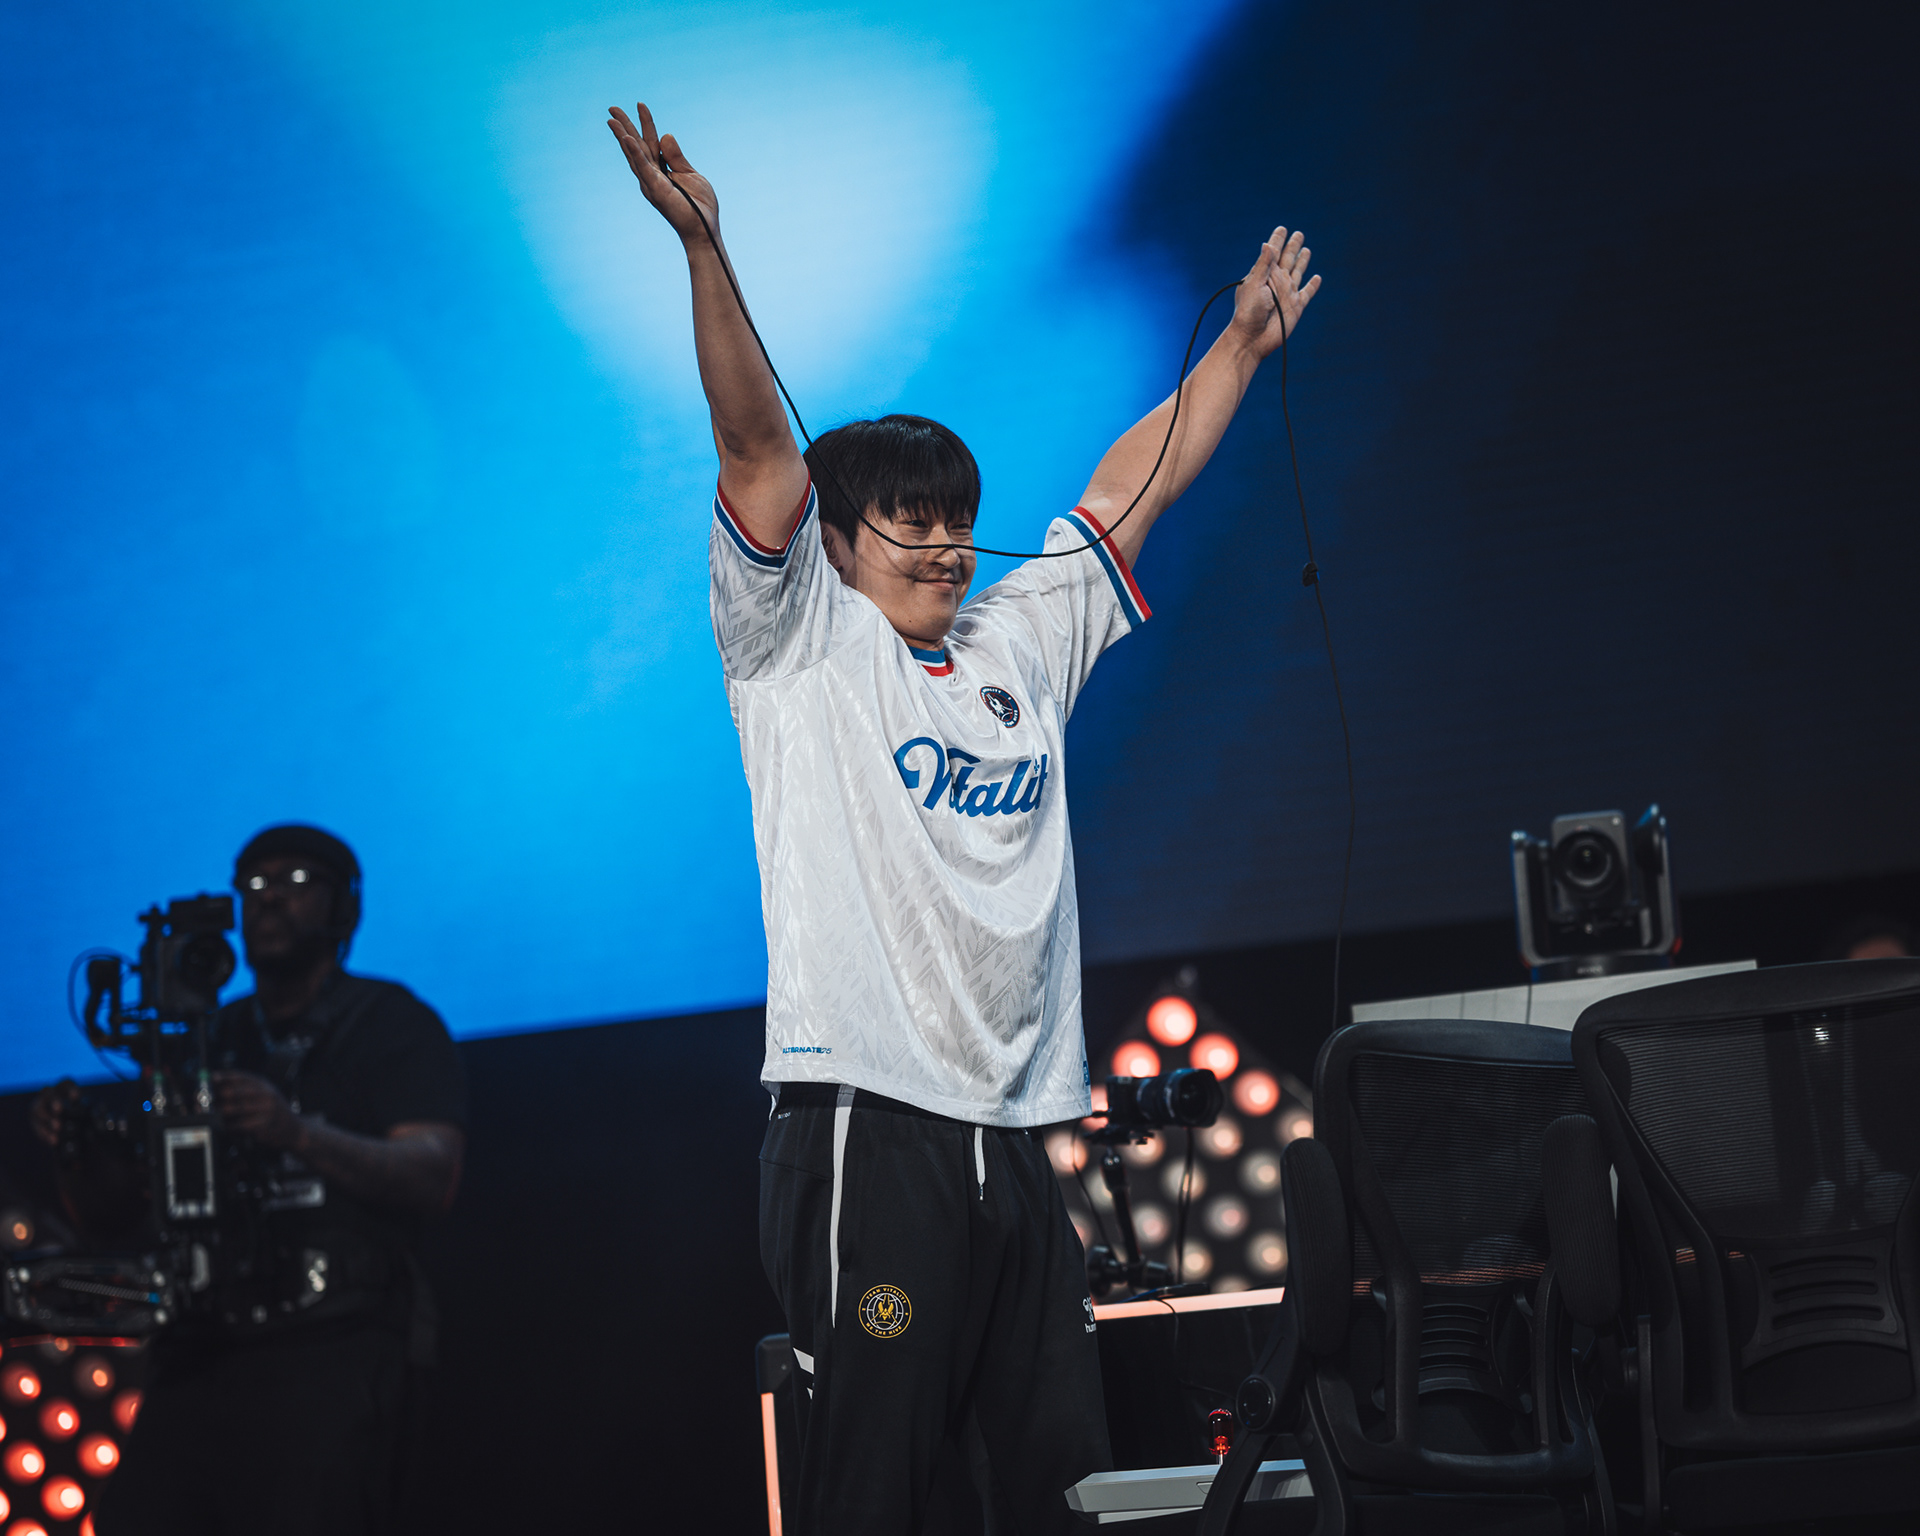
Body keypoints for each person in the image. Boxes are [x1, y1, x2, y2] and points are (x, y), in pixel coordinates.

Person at [608, 102, 1321, 1531]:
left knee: (1063, 1484)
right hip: (867, 1128)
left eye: (955, 520)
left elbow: (1129, 492)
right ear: (836, 544)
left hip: (1013, 1135)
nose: (943, 545)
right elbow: (756, 446)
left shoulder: (1016, 644)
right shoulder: (798, 643)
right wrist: (705, 250)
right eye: (909, 523)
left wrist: (1239, 348)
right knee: (876, 1487)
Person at [31, 824, 468, 1536]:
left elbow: (433, 1173)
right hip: (204, 1347)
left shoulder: (390, 1022)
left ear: (343, 907)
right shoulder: (208, 1039)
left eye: (295, 883)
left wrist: (296, 1132)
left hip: (333, 1345)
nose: (269, 900)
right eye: (255, 885)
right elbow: (113, 1217)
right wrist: (74, 1148)